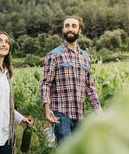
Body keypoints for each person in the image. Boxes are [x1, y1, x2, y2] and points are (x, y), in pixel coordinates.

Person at [40, 15, 102, 145]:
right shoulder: (55, 55)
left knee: (77, 153)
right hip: (61, 114)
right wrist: (47, 108)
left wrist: (98, 109)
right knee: (66, 152)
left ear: (79, 31)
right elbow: (46, 84)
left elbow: (90, 87)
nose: (70, 29)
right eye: (67, 26)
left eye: (74, 26)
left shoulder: (85, 57)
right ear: (63, 30)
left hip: (79, 115)